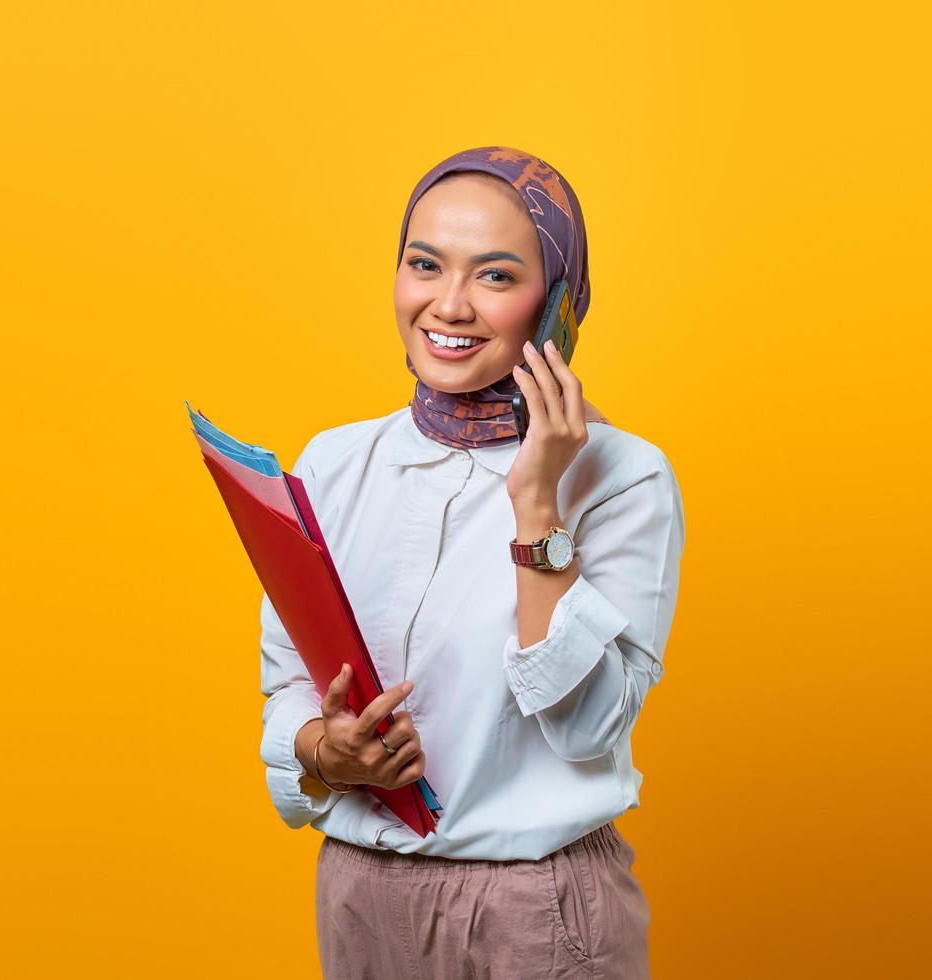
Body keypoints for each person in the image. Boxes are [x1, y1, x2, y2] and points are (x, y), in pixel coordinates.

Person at [256, 146, 685, 979]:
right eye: (424, 264)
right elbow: (288, 681)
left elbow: (589, 726)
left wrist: (536, 505)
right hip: (357, 897)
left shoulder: (626, 476)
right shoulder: (334, 462)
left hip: (533, 911)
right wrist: (321, 749)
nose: (447, 304)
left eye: (494, 276)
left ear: (556, 305)